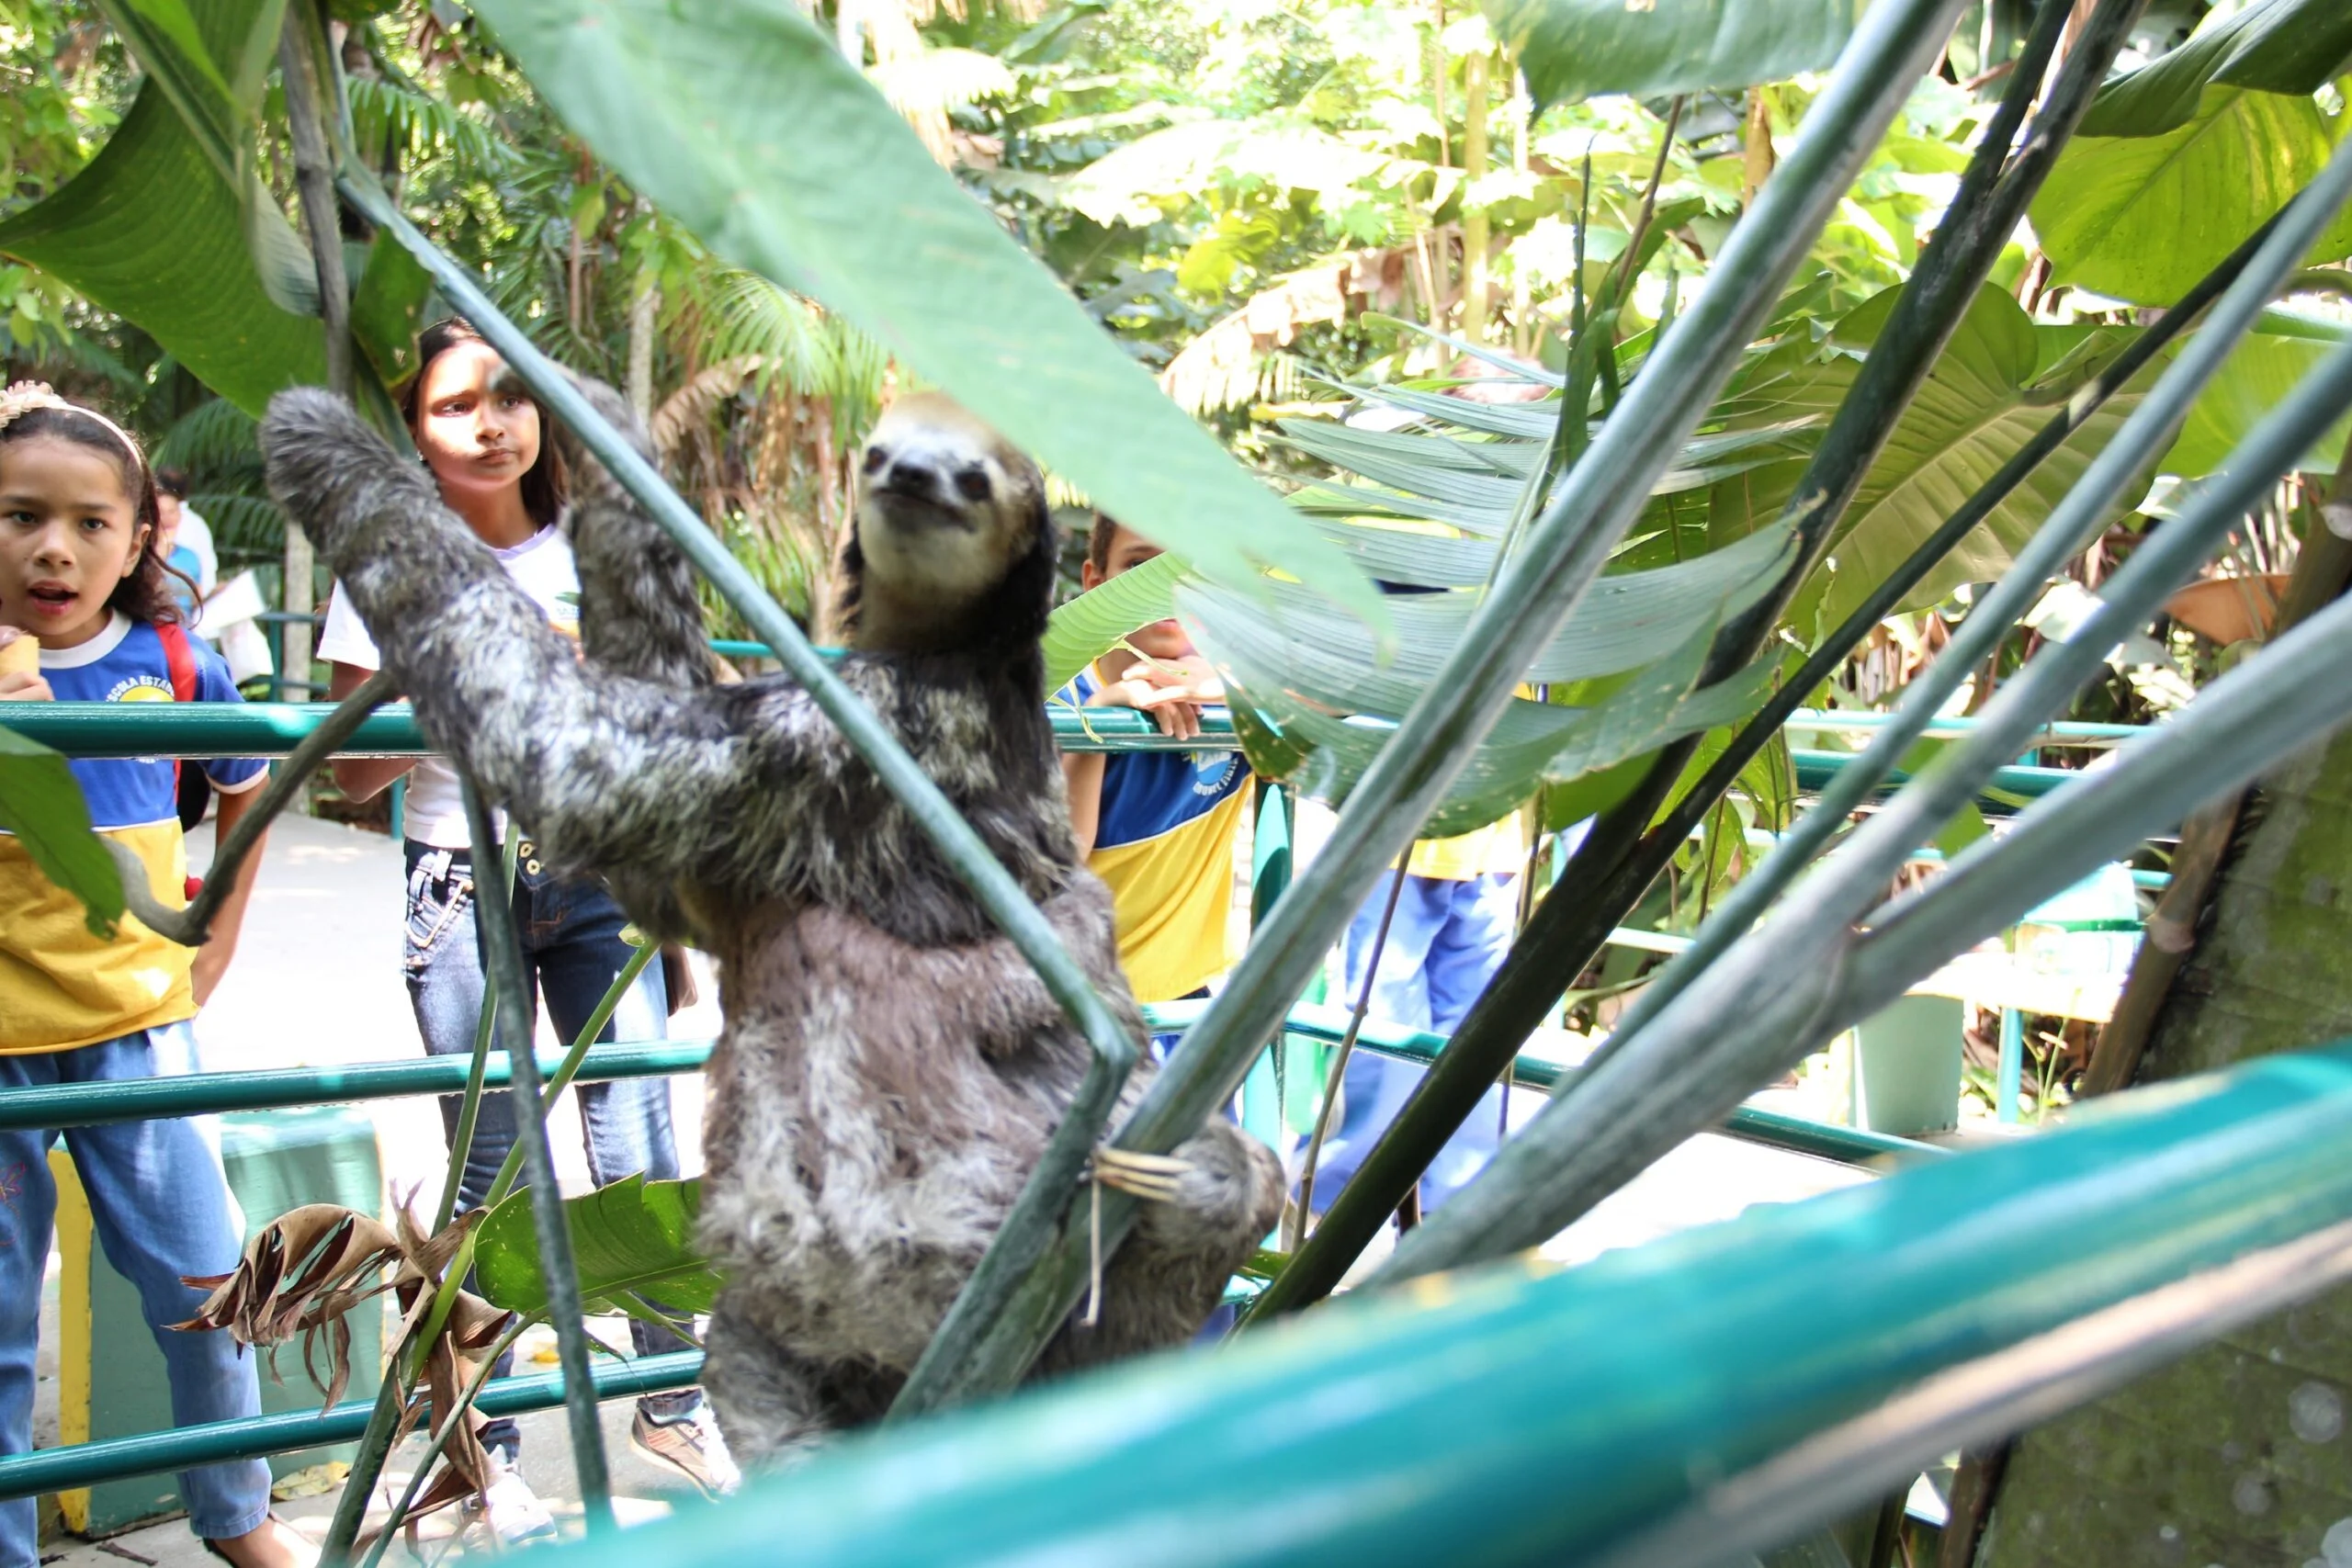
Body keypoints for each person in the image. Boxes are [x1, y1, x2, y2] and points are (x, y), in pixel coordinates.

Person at [316, 321, 729, 1530]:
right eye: (455, 406)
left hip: (598, 877)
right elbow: (350, 782)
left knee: (639, 1136)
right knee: (491, 1169)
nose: (490, 423)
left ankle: (667, 1396)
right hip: (462, 881)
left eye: (509, 397)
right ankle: (473, 1439)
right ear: (417, 432)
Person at [0, 384, 300, 1568]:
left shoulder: (169, 660)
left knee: (207, 1285)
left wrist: (214, 928)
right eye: (20, 515)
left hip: (135, 1031)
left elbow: (250, 775)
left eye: (88, 521)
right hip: (1, 1046)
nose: (53, 547)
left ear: (140, 542)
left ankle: (238, 1517)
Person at [1058, 513, 1252, 1018]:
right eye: (1142, 566)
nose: (1166, 588)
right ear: (1095, 583)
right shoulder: (1057, 700)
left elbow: (1361, 699)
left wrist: (1239, 685)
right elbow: (1057, 859)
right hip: (1072, 1010)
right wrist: (1094, 729)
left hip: (1185, 1009)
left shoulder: (1242, 704)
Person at [1309, 817, 1529, 1216]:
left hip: (1491, 847)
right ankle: (1348, 1194)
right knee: (1383, 1032)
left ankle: (1450, 1199)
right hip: (1401, 844)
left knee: (1478, 1028)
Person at [152, 468, 218, 624]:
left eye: (172, 512)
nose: (167, 518)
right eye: (162, 512)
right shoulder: (141, 552)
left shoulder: (189, 555)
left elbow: (203, 587)